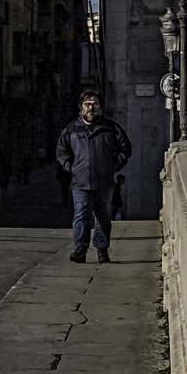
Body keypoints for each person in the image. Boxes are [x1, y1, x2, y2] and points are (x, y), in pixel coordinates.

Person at [55, 91, 131, 265]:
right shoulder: (72, 129)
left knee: (103, 217)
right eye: (87, 104)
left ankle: (102, 251)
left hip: (104, 182)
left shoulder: (111, 128)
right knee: (81, 215)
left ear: (100, 107)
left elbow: (125, 149)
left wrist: (112, 167)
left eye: (94, 104)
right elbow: (61, 152)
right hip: (80, 182)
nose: (91, 107)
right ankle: (80, 249)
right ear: (81, 107)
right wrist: (71, 168)